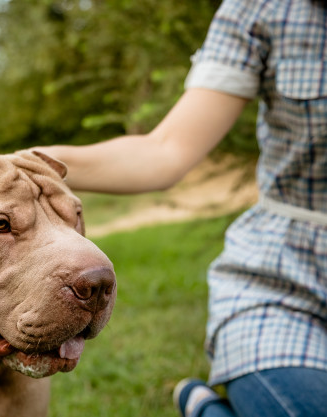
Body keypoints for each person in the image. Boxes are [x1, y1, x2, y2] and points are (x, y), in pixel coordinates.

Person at [32, 0, 327, 416]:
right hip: (283, 283)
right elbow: (165, 150)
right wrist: (17, 162)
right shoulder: (262, 9)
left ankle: (205, 409)